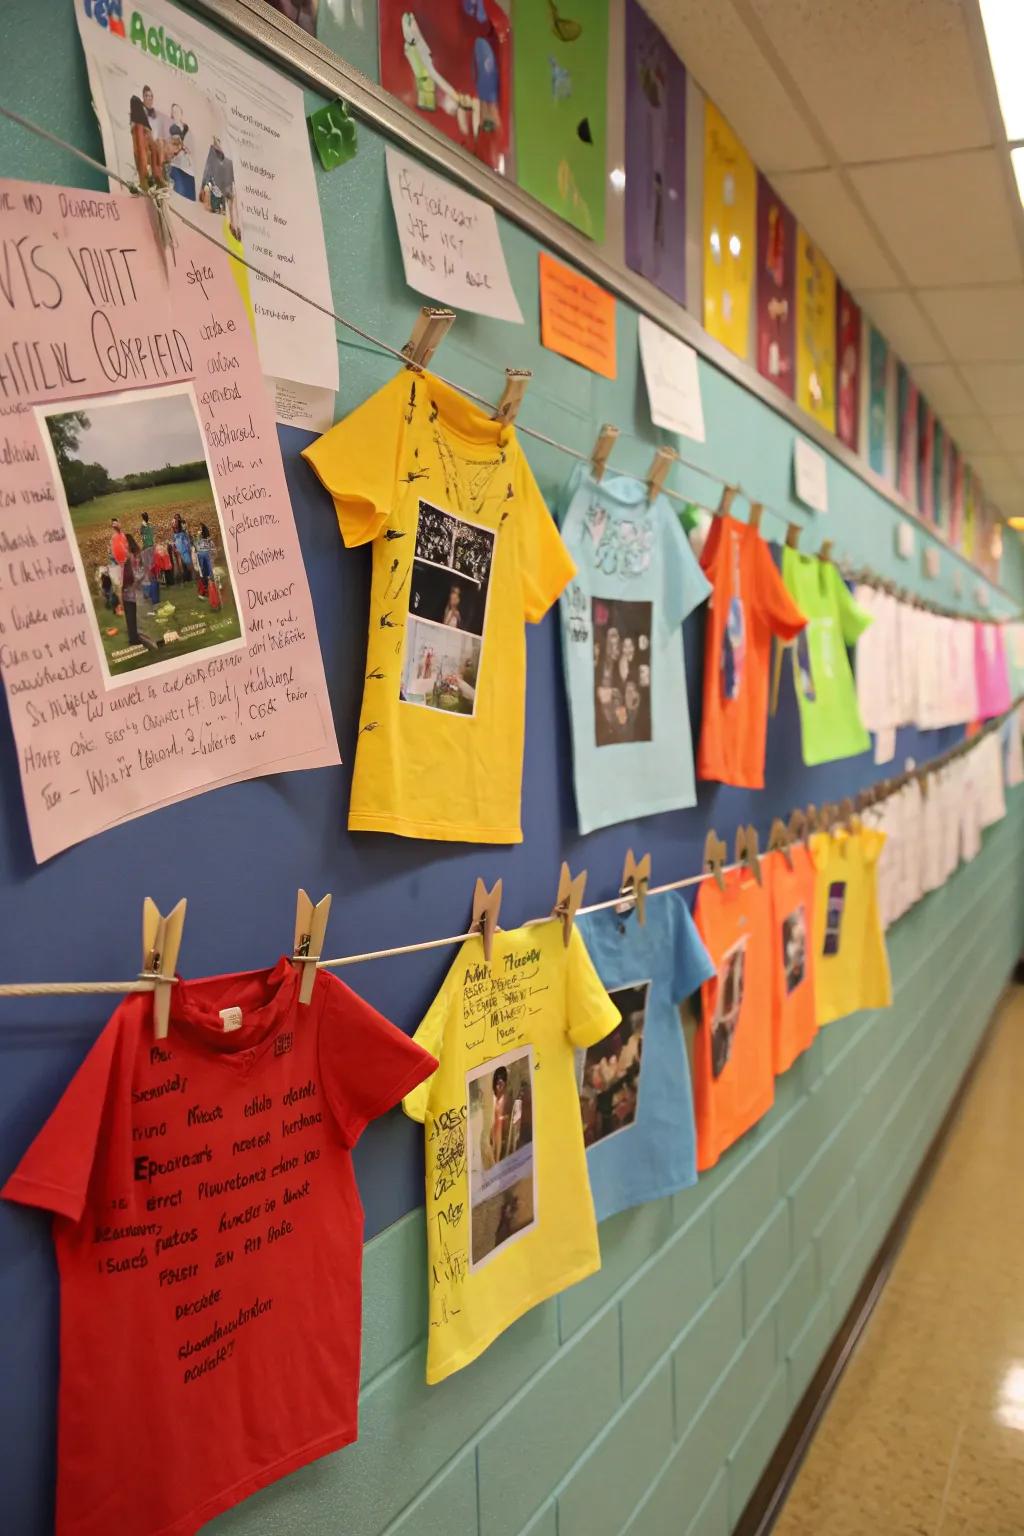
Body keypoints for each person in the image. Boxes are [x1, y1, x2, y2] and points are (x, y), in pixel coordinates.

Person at [200, 136, 241, 240]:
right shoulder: (218, 159)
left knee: (232, 205)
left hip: (226, 187)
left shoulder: (226, 161)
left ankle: (234, 226)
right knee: (232, 205)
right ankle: (234, 226)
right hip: (222, 187)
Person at [488, 1066, 509, 1164]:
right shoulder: (494, 1099)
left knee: (497, 1150)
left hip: (499, 1131)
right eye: (497, 1083)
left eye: (501, 1083)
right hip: (493, 1130)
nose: (499, 1086)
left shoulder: (503, 1099)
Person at [195, 523, 214, 597]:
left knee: (207, 572)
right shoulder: (201, 539)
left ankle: (209, 589)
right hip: (202, 556)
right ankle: (207, 589)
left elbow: (211, 548)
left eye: (200, 528)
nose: (198, 530)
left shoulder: (205, 539)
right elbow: (197, 548)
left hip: (204, 556)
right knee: (205, 572)